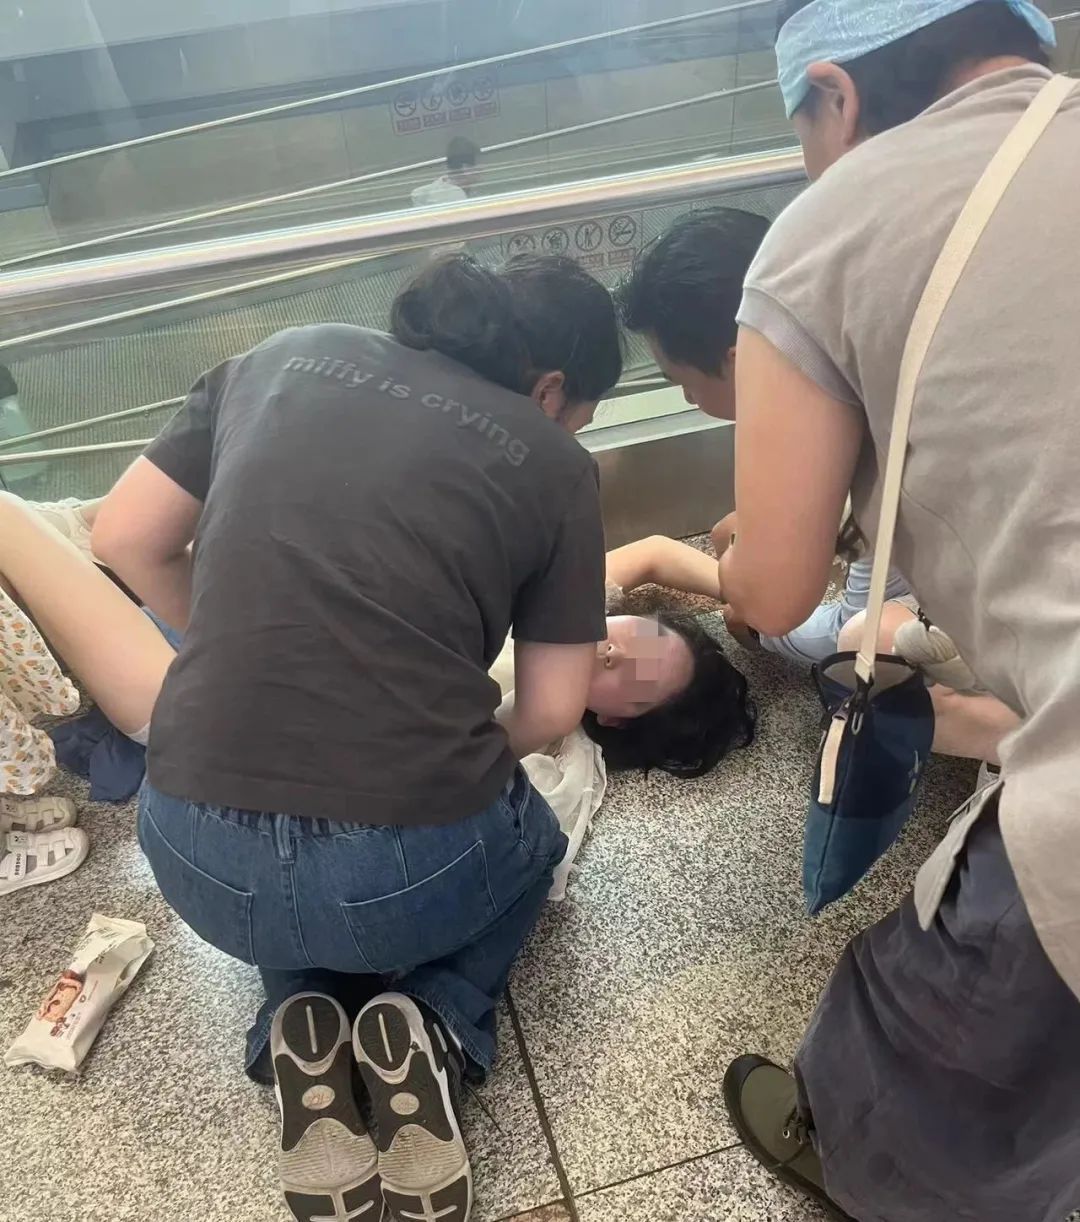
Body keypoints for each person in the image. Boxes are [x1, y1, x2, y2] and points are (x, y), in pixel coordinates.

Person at [87, 251, 622, 1222]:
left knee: (286, 890)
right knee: (533, 846)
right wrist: (452, 749)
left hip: (191, 855)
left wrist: (227, 642)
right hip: (401, 878)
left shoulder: (281, 355)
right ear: (550, 390)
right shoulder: (552, 463)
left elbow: (121, 537)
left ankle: (298, 1017)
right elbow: (550, 713)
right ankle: (438, 1020)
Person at [714, 4, 1080, 1221]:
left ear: (835, 92)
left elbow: (773, 591)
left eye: (799, 131)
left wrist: (721, 548)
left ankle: (864, 1160)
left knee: (944, 1010)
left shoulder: (830, 225)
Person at [618, 208, 1015, 765]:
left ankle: (1034, 738)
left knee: (864, 648)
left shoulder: (874, 446)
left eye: (683, 382)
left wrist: (756, 614)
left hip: (1034, 621)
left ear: (743, 361)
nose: (688, 400)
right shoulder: (885, 359)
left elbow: (781, 607)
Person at [411, 136, 481, 207]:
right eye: (478, 164)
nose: (481, 169)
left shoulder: (467, 190)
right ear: (466, 168)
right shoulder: (453, 198)